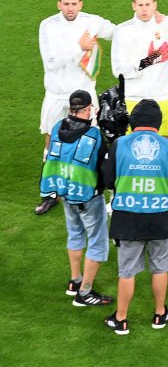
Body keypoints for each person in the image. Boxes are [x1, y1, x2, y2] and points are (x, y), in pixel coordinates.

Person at [111, 0, 168, 213]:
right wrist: (148, 61)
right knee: (127, 145)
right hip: (133, 97)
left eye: (148, 4)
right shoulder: (123, 31)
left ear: (155, 4)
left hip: (162, 96)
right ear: (133, 6)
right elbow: (117, 70)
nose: (144, 9)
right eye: (140, 5)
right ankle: (121, 191)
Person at [102, 100, 168, 335]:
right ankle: (159, 314)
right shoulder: (167, 147)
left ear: (133, 122)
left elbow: (107, 180)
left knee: (127, 271)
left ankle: (121, 319)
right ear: (158, 123)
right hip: (161, 216)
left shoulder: (120, 144)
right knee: (160, 268)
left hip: (127, 217)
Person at [36, 0, 116, 215]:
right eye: (66, 4)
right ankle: (50, 193)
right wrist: (78, 47)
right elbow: (50, 62)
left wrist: (152, 23)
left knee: (91, 141)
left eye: (74, 4)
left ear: (81, 4)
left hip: (83, 96)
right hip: (57, 94)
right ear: (58, 5)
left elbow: (118, 32)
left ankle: (90, 187)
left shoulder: (93, 22)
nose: (70, 8)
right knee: (51, 142)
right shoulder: (48, 25)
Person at [40, 90, 112, 306]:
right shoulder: (93, 135)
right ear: (88, 109)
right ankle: (85, 292)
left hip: (65, 193)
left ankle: (75, 280)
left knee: (75, 235)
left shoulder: (57, 127)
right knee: (98, 243)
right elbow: (105, 167)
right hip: (88, 197)